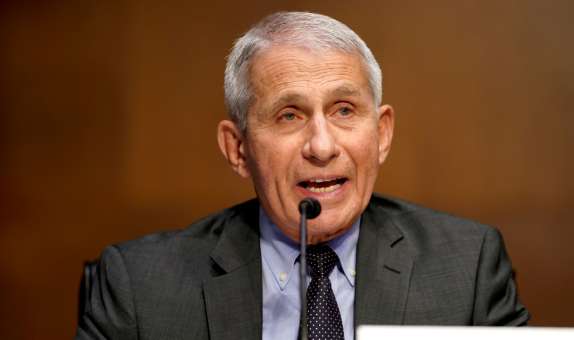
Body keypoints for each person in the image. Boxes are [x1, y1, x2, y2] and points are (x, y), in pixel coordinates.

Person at [76, 11, 529, 340]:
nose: (322, 146)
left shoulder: (466, 268)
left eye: (344, 111)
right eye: (289, 116)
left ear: (382, 133)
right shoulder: (140, 288)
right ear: (238, 149)